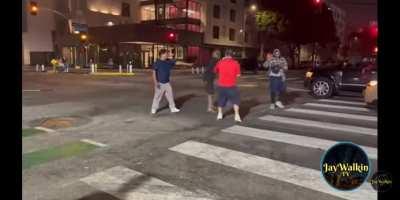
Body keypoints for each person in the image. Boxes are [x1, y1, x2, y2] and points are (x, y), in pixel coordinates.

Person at [214, 49, 242, 122]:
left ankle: (219, 114)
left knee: (220, 100)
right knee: (236, 100)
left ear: (225, 55)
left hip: (221, 85)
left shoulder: (220, 62)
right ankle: (237, 115)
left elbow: (215, 71)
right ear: (232, 55)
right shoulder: (236, 63)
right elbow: (238, 75)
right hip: (232, 85)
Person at [151, 49, 180, 114]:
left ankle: (172, 108)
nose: (167, 55)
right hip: (160, 83)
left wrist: (188, 64)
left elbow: (177, 62)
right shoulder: (157, 63)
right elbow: (154, 73)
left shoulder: (168, 61)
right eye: (166, 54)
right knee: (158, 97)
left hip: (167, 82)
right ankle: (154, 108)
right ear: (162, 54)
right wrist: (156, 82)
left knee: (170, 95)